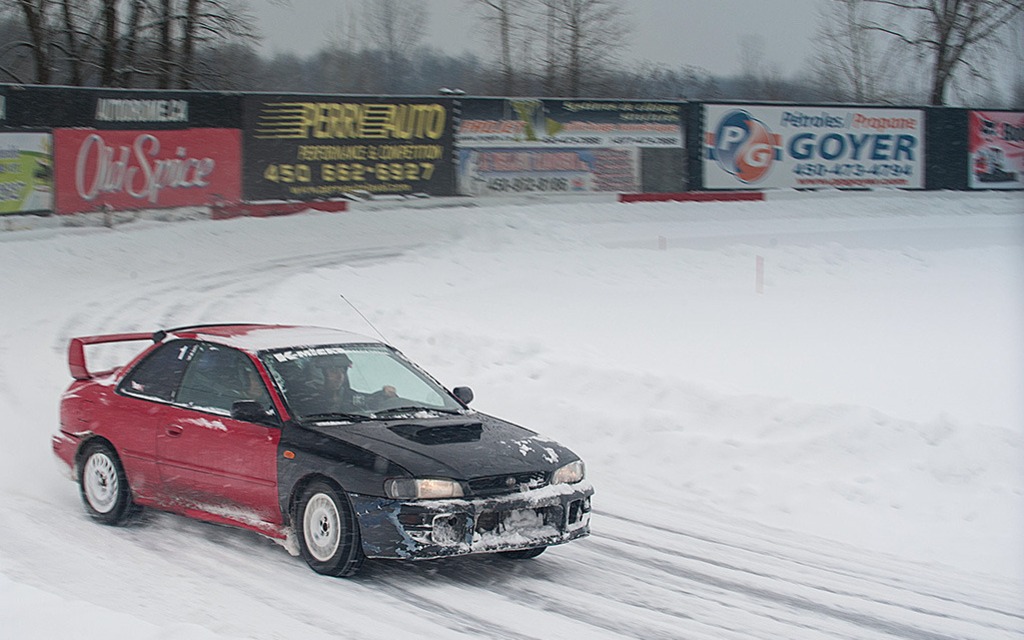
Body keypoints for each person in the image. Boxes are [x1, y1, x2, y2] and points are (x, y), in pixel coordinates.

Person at [300, 353, 396, 415]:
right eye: (333, 371)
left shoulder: (345, 395)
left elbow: (365, 400)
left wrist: (383, 395)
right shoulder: (304, 402)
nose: (340, 376)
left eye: (342, 371)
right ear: (319, 373)